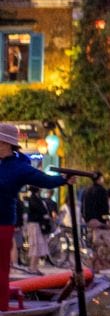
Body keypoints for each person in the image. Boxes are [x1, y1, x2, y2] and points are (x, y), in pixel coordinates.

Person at [0, 123, 69, 300]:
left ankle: (1, 307)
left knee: (1, 269)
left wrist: (63, 180)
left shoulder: (19, 167)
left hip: (3, 222)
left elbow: (43, 179)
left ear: (6, 144)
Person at [23, 186, 52, 273]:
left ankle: (34, 266)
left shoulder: (34, 199)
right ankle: (33, 267)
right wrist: (45, 216)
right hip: (35, 224)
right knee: (36, 245)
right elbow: (41, 211)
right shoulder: (34, 199)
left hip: (36, 224)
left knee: (37, 245)